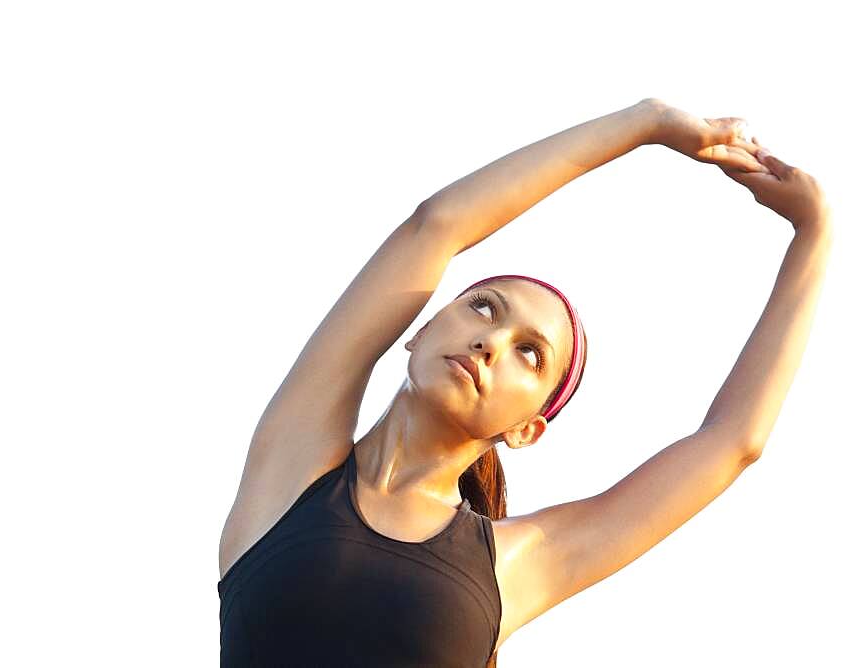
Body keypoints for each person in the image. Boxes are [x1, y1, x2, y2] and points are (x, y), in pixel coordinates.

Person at [217, 97, 832, 667]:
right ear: (419, 328)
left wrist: (816, 233)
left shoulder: (514, 565)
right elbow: (438, 225)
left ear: (527, 429)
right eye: (484, 308)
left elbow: (732, 442)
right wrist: (646, 125)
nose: (490, 342)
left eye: (530, 355)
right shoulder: (289, 472)